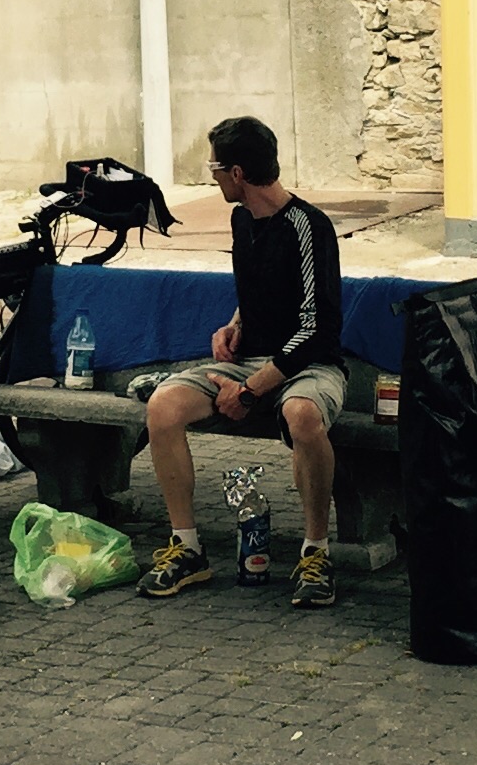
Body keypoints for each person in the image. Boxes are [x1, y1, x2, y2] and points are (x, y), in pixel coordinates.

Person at [137, 115, 348, 608]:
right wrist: (234, 324)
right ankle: (186, 549)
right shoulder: (241, 220)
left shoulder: (309, 227)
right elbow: (259, 294)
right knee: (162, 408)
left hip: (309, 364)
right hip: (250, 360)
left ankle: (316, 553)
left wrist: (253, 388)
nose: (211, 177)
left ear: (236, 173)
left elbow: (318, 329)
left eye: (214, 167)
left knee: (303, 415)